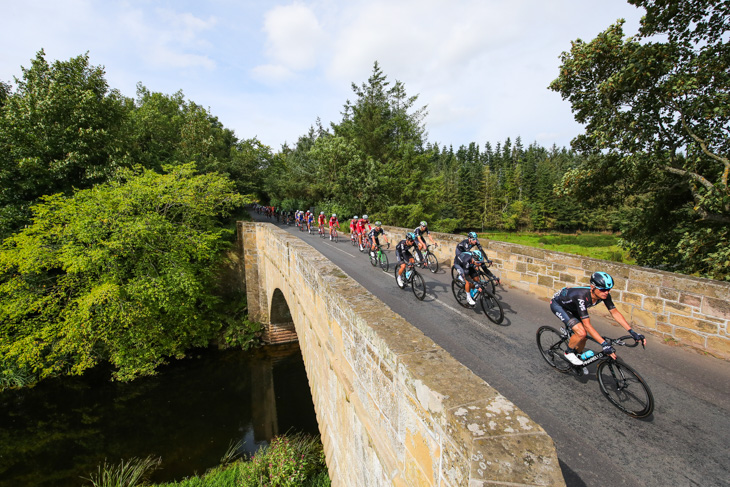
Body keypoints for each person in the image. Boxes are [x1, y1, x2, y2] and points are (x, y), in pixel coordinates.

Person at [550, 271, 646, 369]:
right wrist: (604, 344)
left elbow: (615, 313)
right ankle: (568, 352)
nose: (606, 293)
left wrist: (632, 332)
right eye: (603, 290)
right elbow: (587, 325)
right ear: (592, 287)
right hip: (559, 305)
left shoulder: (604, 295)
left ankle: (577, 357)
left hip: (573, 307)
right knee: (581, 332)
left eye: (608, 289)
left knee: (584, 337)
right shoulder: (581, 297)